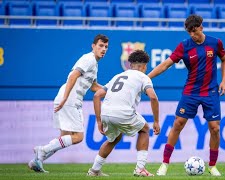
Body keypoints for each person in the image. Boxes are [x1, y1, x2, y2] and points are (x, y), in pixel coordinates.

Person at [148, 14, 225, 176]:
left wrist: (224, 80)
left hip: (211, 92)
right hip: (191, 91)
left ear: (201, 27)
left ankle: (212, 166)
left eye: (194, 31)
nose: (192, 34)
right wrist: (146, 78)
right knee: (178, 123)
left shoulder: (215, 42)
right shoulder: (184, 46)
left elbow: (224, 60)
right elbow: (165, 65)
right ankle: (164, 164)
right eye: (189, 32)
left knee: (215, 128)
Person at [28, 34, 109, 173]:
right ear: (93, 46)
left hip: (68, 98)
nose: (103, 49)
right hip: (70, 99)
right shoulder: (88, 59)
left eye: (106, 47)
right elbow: (73, 75)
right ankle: (42, 150)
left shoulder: (94, 64)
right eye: (101, 46)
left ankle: (37, 160)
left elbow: (93, 86)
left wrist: (110, 91)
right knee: (78, 137)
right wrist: (66, 97)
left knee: (64, 137)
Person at [87, 50, 160, 177]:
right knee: (144, 129)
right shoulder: (144, 77)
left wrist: (99, 121)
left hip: (106, 112)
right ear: (144, 66)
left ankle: (94, 171)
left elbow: (97, 95)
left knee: (114, 138)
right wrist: (157, 121)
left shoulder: (117, 76)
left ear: (130, 65)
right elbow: (153, 97)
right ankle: (140, 168)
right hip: (123, 112)